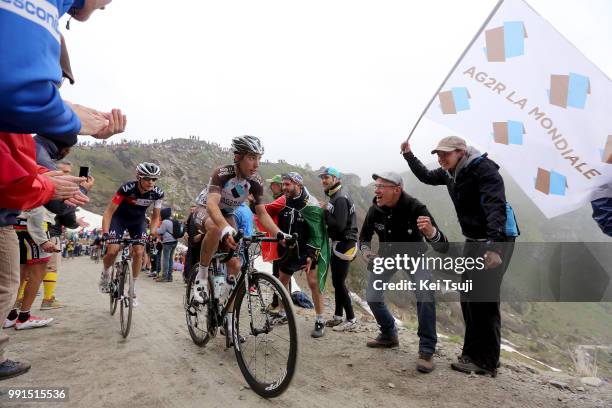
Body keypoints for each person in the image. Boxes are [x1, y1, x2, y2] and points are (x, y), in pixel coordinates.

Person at [402, 136, 516, 377]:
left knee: (484, 301)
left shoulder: (483, 169)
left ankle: (487, 362)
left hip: (495, 239)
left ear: (461, 152)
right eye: (438, 154)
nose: (440, 158)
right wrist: (409, 155)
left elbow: (496, 206)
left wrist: (494, 248)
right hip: (474, 240)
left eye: (445, 153)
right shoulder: (450, 173)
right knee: (468, 297)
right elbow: (425, 176)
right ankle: (471, 354)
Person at [192, 136, 289, 344]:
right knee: (216, 230)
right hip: (206, 210)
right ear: (238, 157)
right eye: (251, 158)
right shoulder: (222, 173)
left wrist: (279, 234)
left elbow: (262, 214)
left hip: (227, 214)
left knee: (236, 265)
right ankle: (201, 276)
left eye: (259, 158)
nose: (256, 164)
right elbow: (212, 205)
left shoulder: (255, 183)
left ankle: (227, 321)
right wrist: (226, 229)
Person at [360, 172, 448, 373]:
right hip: (386, 256)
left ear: (397, 190)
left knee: (425, 295)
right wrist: (365, 252)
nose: (377, 190)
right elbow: (364, 237)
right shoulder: (375, 209)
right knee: (372, 297)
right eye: (376, 185)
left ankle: (426, 350)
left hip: (414, 257)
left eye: (382, 186)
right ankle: (389, 334)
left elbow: (443, 246)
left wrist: (431, 233)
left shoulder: (416, 208)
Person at [268, 172, 330, 338]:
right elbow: (267, 212)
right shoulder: (282, 201)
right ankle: (283, 313)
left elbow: (317, 233)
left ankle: (320, 319)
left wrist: (311, 254)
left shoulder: (311, 204)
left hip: (307, 249)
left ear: (298, 185)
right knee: (282, 282)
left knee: (313, 282)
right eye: (283, 184)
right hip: (288, 249)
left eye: (288, 184)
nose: (284, 187)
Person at [100, 163, 164, 307]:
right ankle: (105, 272)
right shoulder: (126, 189)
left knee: (139, 251)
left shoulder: (158, 193)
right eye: (147, 178)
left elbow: (155, 217)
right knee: (113, 250)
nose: (151, 182)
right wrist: (105, 233)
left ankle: (132, 288)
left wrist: (153, 231)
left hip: (138, 222)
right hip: (119, 220)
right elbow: (109, 212)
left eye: (154, 179)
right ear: (138, 177)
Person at [318, 167, 359, 332]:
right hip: (343, 243)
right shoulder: (337, 194)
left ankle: (351, 318)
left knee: (338, 282)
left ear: (335, 179)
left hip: (344, 243)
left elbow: (340, 226)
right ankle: (337, 316)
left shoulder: (339, 198)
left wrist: (326, 210)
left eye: (327, 177)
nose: (324, 181)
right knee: (337, 281)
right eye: (322, 178)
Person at [156, 208, 178, 282]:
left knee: (165, 260)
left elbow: (160, 231)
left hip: (167, 242)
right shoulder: (172, 220)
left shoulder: (165, 222)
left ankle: (164, 277)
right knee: (170, 259)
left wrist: (155, 228)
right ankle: (170, 277)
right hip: (175, 241)